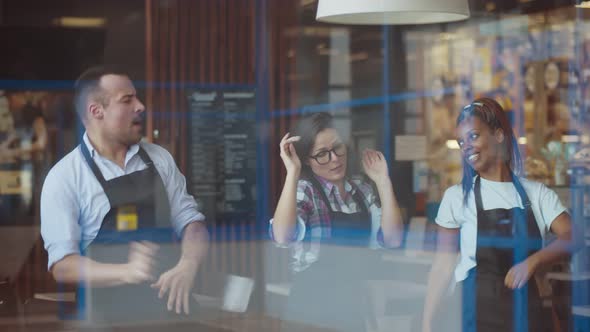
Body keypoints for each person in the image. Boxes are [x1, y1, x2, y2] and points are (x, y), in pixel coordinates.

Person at [40, 66, 209, 324]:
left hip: (173, 315)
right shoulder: (64, 178)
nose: (140, 106)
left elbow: (192, 223)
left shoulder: (159, 159)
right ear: (97, 111)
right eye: (127, 100)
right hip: (107, 321)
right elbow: (63, 266)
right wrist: (127, 271)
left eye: (137, 98)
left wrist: (188, 264)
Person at [422, 97, 581, 332]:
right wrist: (427, 324)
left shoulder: (535, 194)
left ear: (498, 135)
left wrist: (533, 262)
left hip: (527, 313)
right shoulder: (457, 197)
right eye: (461, 141)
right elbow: (442, 266)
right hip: (476, 314)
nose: (466, 145)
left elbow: (574, 237)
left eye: (473, 136)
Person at [270, 112, 404, 331]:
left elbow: (393, 239)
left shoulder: (362, 191)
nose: (334, 159)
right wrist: (292, 172)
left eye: (337, 148)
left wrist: (383, 181)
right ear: (306, 160)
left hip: (351, 307)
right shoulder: (306, 191)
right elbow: (282, 236)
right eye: (322, 154)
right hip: (309, 311)